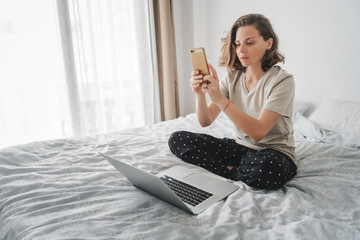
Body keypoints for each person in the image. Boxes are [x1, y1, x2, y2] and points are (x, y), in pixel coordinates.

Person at [168, 14, 297, 190]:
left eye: (249, 43)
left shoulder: (282, 81)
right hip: (240, 148)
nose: (241, 50)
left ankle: (229, 172)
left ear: (269, 43)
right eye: (237, 44)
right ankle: (237, 171)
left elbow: (258, 133)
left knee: (269, 168)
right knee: (178, 139)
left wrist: (220, 99)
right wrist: (200, 94)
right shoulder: (232, 77)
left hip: (274, 152)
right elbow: (205, 121)